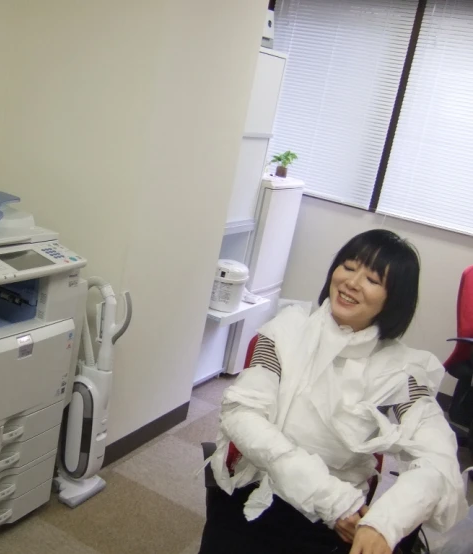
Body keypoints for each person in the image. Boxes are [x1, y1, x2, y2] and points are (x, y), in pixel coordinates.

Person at [199, 229, 468, 554]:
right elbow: (242, 415)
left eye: (373, 279)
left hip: (334, 522)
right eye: (349, 266)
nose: (352, 282)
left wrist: (386, 522)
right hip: (259, 493)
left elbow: (437, 457)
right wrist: (330, 498)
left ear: (394, 298)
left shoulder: (400, 371)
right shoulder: (286, 332)